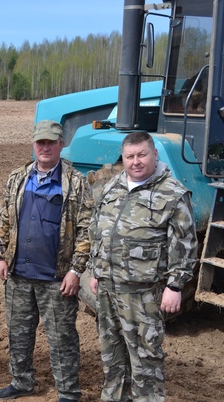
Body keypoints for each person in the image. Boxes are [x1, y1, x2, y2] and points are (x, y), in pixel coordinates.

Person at [88, 131, 198, 401]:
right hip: (108, 289)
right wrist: (95, 268)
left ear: (154, 155)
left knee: (145, 359)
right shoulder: (113, 186)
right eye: (130, 156)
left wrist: (175, 285)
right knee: (112, 355)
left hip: (143, 294)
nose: (136, 162)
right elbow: (97, 228)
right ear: (123, 158)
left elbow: (185, 243)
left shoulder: (172, 193)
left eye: (142, 155)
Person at [0, 120, 93, 402]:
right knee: (18, 335)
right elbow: (3, 219)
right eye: (40, 143)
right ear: (34, 145)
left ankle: (68, 391)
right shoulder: (17, 178)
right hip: (19, 275)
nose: (45, 147)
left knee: (62, 339)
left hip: (57, 279)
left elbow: (87, 229)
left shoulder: (76, 182)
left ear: (61, 144)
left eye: (51, 142)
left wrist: (75, 271)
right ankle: (21, 382)